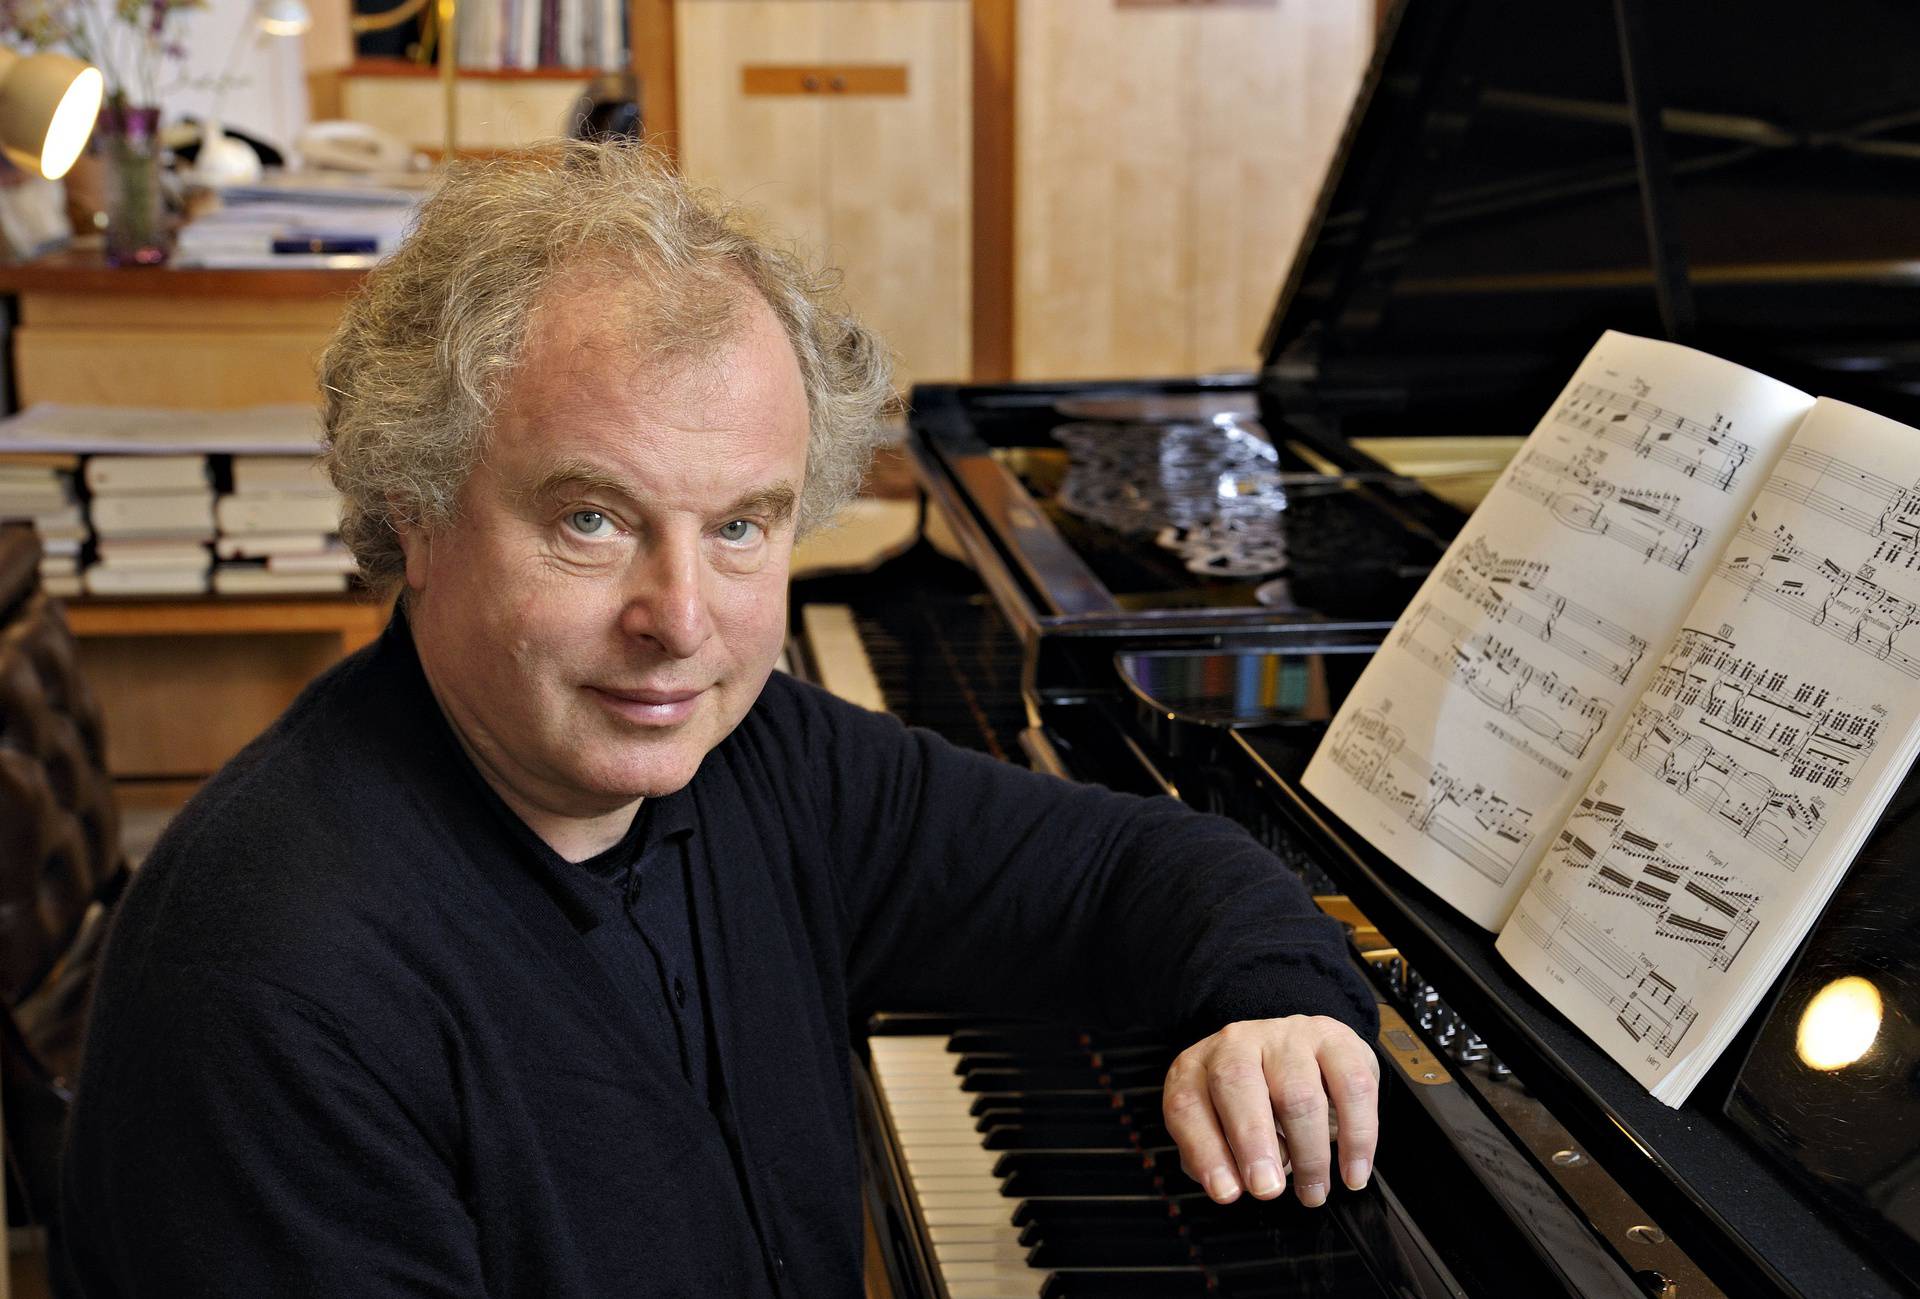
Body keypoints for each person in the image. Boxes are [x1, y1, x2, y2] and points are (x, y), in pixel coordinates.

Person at [58, 141, 1381, 1296]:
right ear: (418, 512)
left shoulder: (750, 757)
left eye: (741, 526)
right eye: (592, 518)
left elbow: (1126, 866)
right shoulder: (271, 986)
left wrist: (1276, 1001)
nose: (681, 621)